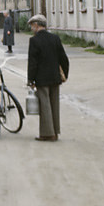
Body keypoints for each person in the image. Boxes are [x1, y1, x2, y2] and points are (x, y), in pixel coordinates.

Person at [26, 14, 69, 142]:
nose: (32, 28)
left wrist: (30, 79)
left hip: (42, 78)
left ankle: (47, 134)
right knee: (54, 105)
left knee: (45, 105)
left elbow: (32, 63)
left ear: (37, 25)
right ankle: (55, 132)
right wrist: (64, 74)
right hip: (55, 77)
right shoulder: (55, 38)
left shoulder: (34, 41)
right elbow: (64, 59)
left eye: (32, 25)